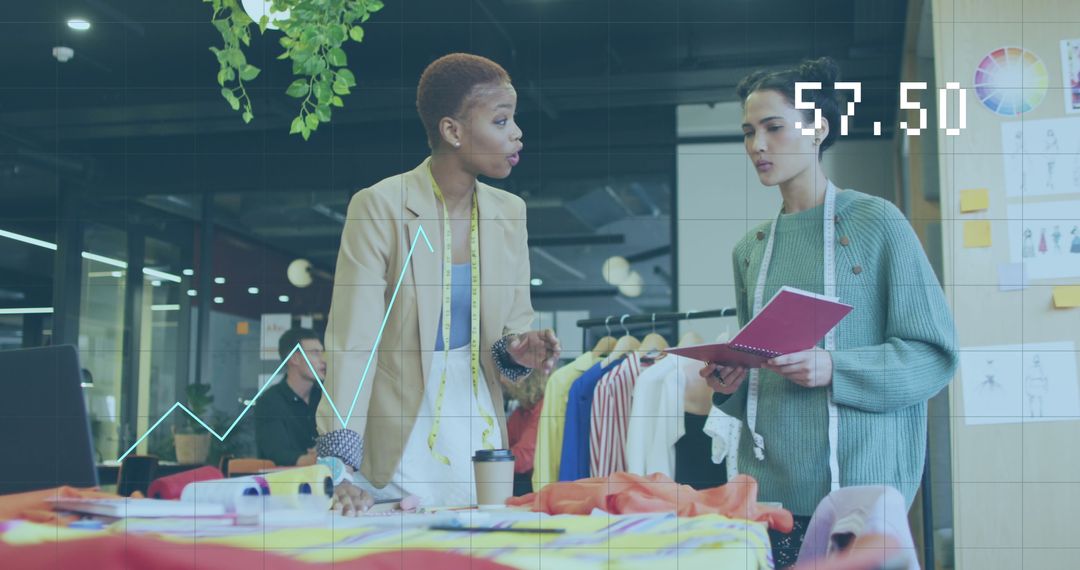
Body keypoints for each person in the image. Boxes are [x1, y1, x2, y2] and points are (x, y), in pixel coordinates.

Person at [700, 57, 957, 568]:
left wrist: (836, 367)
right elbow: (760, 365)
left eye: (773, 128)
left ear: (818, 128)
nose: (758, 146)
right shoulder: (750, 250)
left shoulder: (877, 222)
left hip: (859, 490)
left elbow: (932, 355)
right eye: (749, 132)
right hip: (770, 498)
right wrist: (728, 382)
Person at [318, 53, 561, 513]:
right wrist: (339, 467)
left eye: (514, 120)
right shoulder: (379, 208)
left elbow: (507, 343)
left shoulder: (510, 214)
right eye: (502, 120)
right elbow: (353, 345)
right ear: (452, 131)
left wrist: (518, 353)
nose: (517, 133)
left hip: (481, 430)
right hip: (401, 433)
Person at [254, 327, 325, 467]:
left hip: (327, 480)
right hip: (285, 484)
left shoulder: (325, 397)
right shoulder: (269, 402)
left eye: (322, 353)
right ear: (295, 359)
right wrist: (317, 459)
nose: (323, 360)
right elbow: (278, 454)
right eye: (316, 353)